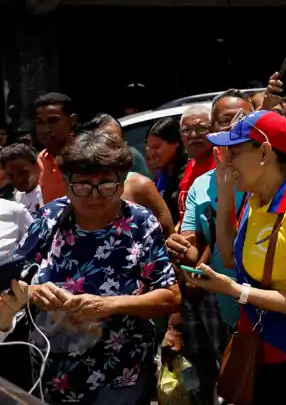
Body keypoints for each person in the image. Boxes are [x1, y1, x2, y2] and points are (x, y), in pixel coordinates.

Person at [183, 110, 286, 403]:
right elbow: (231, 257)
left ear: (265, 152)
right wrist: (225, 192)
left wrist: (236, 291)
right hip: (264, 353)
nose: (225, 160)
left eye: (234, 152)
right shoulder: (256, 198)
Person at [20, 129, 180, 404]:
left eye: (106, 186)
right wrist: (33, 292)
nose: (94, 196)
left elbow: (170, 296)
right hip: (54, 372)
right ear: (67, 182)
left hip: (119, 374)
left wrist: (109, 305)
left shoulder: (140, 223)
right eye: (82, 186)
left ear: (122, 183)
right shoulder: (50, 217)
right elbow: (15, 275)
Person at [167, 89, 253, 405]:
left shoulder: (273, 173)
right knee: (230, 381)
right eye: (224, 121)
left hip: (271, 300)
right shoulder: (201, 185)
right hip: (223, 303)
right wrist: (179, 247)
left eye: (242, 119)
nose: (234, 126)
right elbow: (191, 244)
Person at [34, 92, 77, 203]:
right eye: (40, 122)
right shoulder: (41, 159)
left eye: (53, 121)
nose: (45, 129)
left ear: (72, 121)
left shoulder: (90, 153)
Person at [178, 104, 216, 224]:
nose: (193, 135)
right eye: (187, 130)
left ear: (214, 130)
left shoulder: (222, 165)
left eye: (201, 128)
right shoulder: (189, 166)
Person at [146, 117, 188, 222]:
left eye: (156, 147)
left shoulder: (189, 173)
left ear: (176, 143)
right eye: (150, 147)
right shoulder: (160, 175)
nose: (152, 153)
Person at [0, 144, 43, 214]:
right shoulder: (17, 196)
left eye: (23, 173)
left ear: (37, 166)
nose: (18, 180)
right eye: (11, 175)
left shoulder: (46, 195)